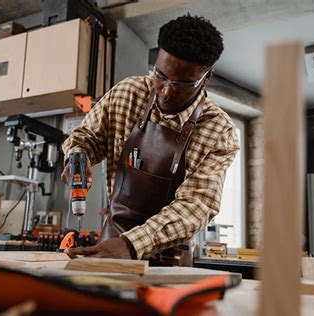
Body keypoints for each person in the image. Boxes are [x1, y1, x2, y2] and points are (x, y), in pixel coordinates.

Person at [61, 14, 239, 266]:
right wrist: (78, 154)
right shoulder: (128, 93)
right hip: (112, 241)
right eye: (161, 75)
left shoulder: (219, 131)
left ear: (206, 77)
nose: (166, 91)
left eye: (182, 84)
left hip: (171, 255)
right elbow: (88, 137)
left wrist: (131, 245)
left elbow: (196, 204)